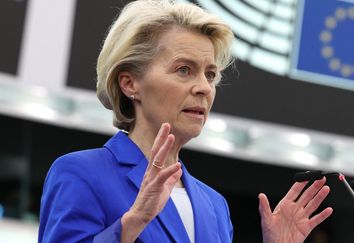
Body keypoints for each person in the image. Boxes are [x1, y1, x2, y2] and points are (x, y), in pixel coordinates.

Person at [38, 0, 333, 242]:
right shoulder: (81, 173)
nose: (204, 87)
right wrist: (133, 222)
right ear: (130, 83)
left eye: (210, 74)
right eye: (183, 70)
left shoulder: (214, 205)